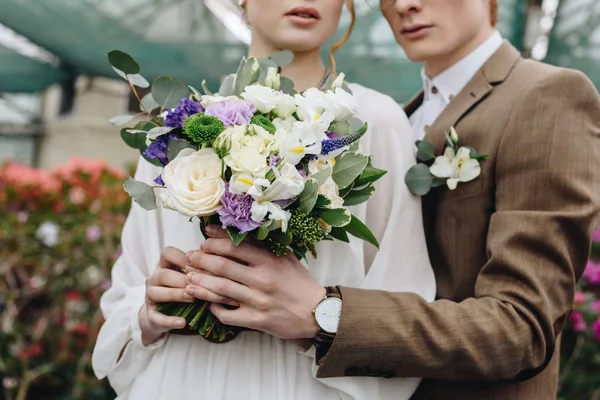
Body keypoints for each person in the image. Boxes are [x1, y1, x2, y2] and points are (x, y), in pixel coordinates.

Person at [184, 0, 600, 399]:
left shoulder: (545, 94)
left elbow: (521, 328)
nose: (404, 5)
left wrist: (325, 313)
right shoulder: (392, 119)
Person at [91, 0, 436, 399]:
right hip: (182, 379)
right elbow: (123, 301)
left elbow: (404, 302)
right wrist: (149, 312)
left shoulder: (374, 122)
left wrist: (318, 317)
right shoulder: (174, 128)